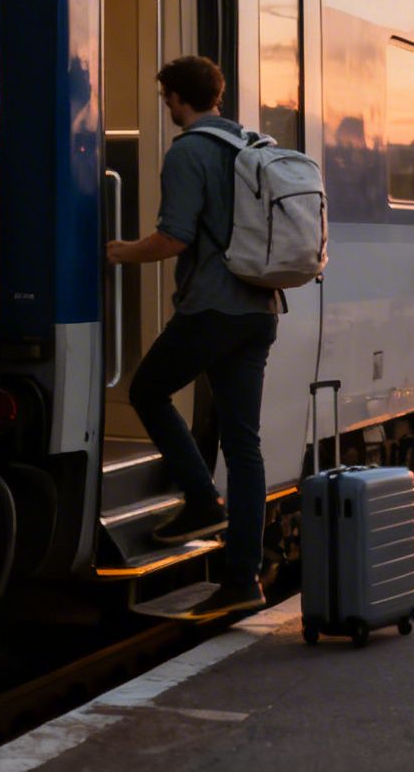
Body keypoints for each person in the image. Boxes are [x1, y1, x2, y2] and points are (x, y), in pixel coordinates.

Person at [106, 55, 283, 620]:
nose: (167, 108)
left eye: (166, 99)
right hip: (260, 309)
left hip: (212, 309)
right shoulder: (252, 146)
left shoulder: (188, 152)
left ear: (179, 99)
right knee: (244, 445)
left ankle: (203, 501)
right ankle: (242, 580)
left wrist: (118, 252)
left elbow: (173, 238)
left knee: (147, 391)